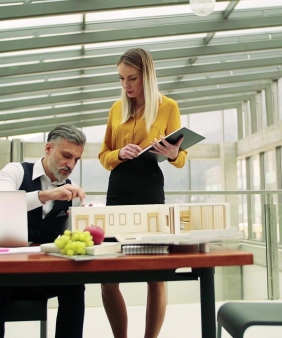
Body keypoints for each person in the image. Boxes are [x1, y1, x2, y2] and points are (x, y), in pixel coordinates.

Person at [98, 48, 187, 338]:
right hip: (118, 191)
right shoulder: (116, 109)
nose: (126, 85)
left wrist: (174, 153)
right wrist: (119, 153)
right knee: (108, 278)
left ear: (147, 76)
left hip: (150, 190)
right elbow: (102, 155)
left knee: (155, 275)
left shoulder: (168, 107)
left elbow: (181, 158)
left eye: (132, 78)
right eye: (121, 79)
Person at [0, 124, 87, 338]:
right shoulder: (15, 171)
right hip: (4, 273)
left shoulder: (72, 190)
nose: (70, 164)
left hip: (42, 277)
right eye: (66, 155)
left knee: (75, 284)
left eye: (76, 159)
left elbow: (68, 238)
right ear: (48, 148)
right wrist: (47, 195)